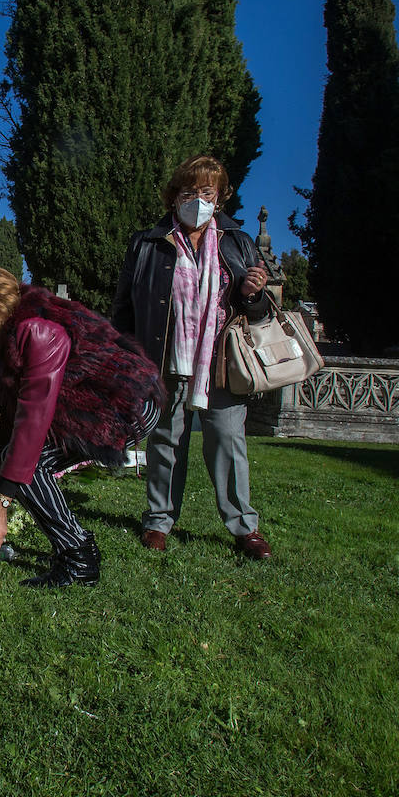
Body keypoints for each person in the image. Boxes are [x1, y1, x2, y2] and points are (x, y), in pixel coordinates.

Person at [0, 265, 162, 587]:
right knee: (15, 463)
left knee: (29, 467)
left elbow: (33, 418)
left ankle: (79, 558)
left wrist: (1, 503)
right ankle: (76, 551)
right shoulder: (5, 338)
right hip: (93, 406)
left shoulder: (38, 330)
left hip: (125, 407)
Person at [111, 154, 274, 559]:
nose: (197, 200)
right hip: (164, 358)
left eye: (206, 192)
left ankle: (243, 527)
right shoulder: (147, 242)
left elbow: (260, 312)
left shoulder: (237, 242)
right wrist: (126, 355)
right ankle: (159, 521)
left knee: (228, 442)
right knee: (165, 442)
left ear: (218, 199)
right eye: (188, 192)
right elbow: (125, 307)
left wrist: (253, 296)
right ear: (174, 198)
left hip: (219, 363)